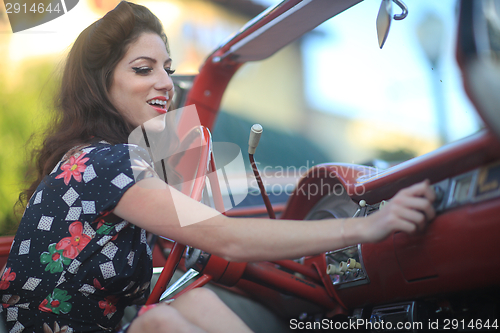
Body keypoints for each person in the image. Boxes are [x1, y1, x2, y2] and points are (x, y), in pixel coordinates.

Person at [0, 1, 436, 332]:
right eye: (142, 69)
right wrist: (367, 227)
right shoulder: (106, 161)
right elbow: (224, 235)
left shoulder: (85, 158)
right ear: (101, 82)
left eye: (168, 70)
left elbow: (204, 221)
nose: (166, 84)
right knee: (160, 323)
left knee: (191, 306)